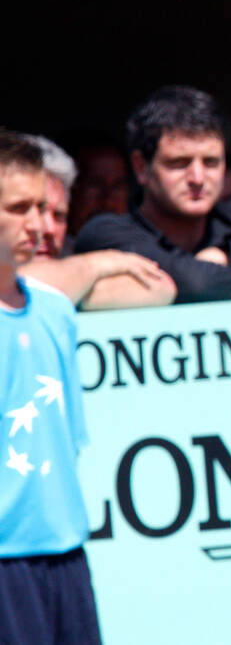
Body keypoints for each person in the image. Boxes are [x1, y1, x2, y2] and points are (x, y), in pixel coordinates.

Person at [0, 130, 102, 644]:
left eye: (42, 207)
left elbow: (67, 442)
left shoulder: (57, 312)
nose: (38, 224)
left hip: (66, 555)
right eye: (19, 208)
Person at [72, 85, 231, 303]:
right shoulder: (106, 232)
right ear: (141, 167)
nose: (198, 178)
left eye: (211, 162)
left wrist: (228, 256)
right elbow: (198, 286)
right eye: (179, 163)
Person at [17, 134, 177, 310]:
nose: (49, 229)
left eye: (59, 215)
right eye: (29, 211)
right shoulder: (100, 262)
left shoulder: (70, 259)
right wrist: (98, 264)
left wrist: (69, 288)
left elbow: (160, 286)